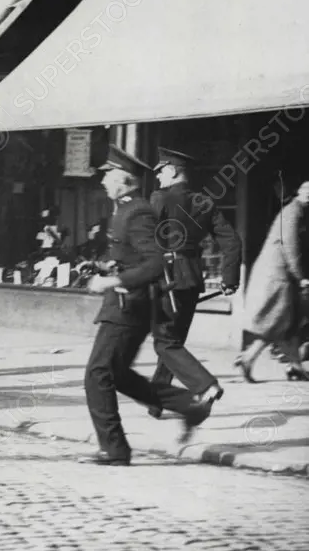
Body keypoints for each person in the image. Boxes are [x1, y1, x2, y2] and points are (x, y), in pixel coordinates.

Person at [82, 145, 214, 466]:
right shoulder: (125, 208)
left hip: (130, 306)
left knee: (97, 374)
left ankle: (114, 448)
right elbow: (131, 258)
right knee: (119, 375)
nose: (103, 182)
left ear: (124, 180)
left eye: (108, 176)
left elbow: (155, 264)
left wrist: (112, 281)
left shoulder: (137, 211)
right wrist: (103, 268)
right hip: (127, 304)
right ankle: (189, 405)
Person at [147, 147, 241, 418]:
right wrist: (229, 279)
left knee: (165, 342)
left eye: (161, 171)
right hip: (192, 279)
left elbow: (146, 241)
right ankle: (155, 401)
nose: (158, 177)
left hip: (167, 279)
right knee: (172, 341)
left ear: (173, 170)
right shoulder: (204, 202)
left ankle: (206, 386)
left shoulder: (160, 199)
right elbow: (232, 241)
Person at [235, 178, 309, 382]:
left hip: (282, 276)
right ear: (303, 194)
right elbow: (291, 247)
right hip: (278, 277)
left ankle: (295, 366)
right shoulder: (293, 213)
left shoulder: (299, 212)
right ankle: (248, 358)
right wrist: (301, 277)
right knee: (276, 321)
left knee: (290, 322)